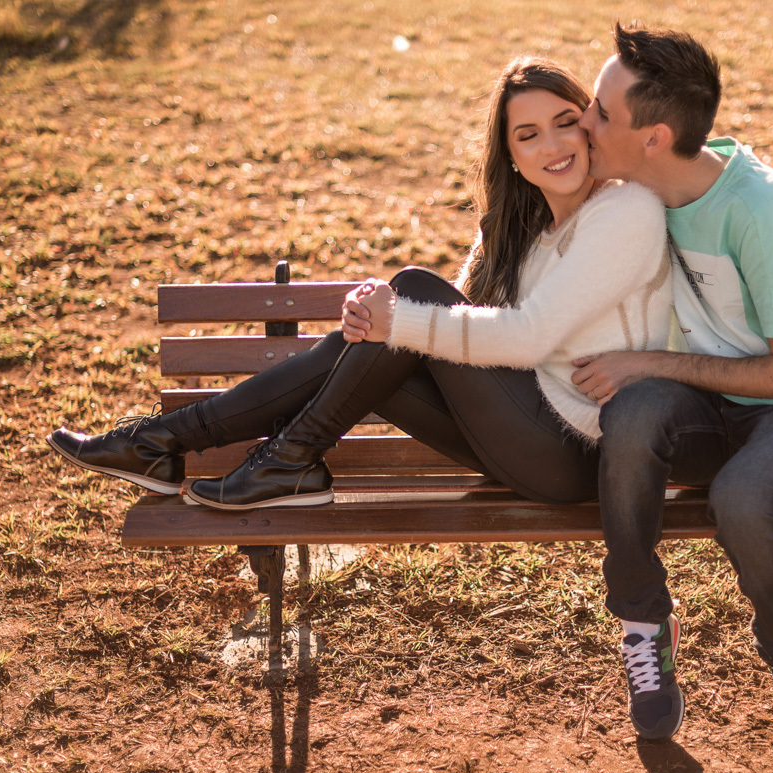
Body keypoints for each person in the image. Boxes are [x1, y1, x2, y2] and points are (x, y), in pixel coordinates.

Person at [47, 58, 673, 524]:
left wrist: (397, 318)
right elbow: (451, 339)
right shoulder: (524, 230)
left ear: (591, 126)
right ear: (509, 156)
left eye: (566, 122)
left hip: (581, 454)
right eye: (527, 135)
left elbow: (527, 335)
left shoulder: (625, 211)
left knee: (408, 299)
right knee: (397, 323)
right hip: (524, 433)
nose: (553, 145)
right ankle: (227, 450)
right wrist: (387, 324)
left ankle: (193, 444)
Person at [564, 24, 773, 757]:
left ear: (654, 137)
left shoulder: (753, 209)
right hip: (718, 407)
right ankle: (644, 626)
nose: (584, 121)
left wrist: (649, 360)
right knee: (630, 417)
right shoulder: (641, 191)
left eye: (602, 112)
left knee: (741, 495)